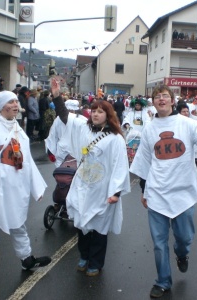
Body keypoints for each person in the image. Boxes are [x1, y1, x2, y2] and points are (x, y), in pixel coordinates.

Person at [129, 85, 197, 298]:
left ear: (172, 101)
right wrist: (144, 190)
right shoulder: (149, 129)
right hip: (157, 192)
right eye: (157, 97)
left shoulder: (187, 124)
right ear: (153, 102)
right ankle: (163, 281)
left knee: (184, 238)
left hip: (183, 192)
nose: (161, 99)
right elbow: (144, 160)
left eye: (165, 96)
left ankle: (182, 254)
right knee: (158, 243)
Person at [0, 91, 50, 295]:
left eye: (16, 101)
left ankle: (27, 259)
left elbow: (27, 159)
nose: (15, 105)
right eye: (11, 102)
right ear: (1, 106)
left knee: (18, 225)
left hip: (16, 188)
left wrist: (35, 187)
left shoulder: (17, 128)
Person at [51, 78, 130, 277]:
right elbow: (65, 117)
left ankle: (95, 262)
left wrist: (116, 192)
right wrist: (57, 96)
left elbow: (120, 166)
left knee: (99, 228)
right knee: (81, 224)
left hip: (102, 189)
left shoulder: (115, 139)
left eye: (100, 111)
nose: (95, 114)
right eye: (93, 110)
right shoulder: (83, 128)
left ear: (108, 115)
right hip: (82, 184)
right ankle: (84, 256)